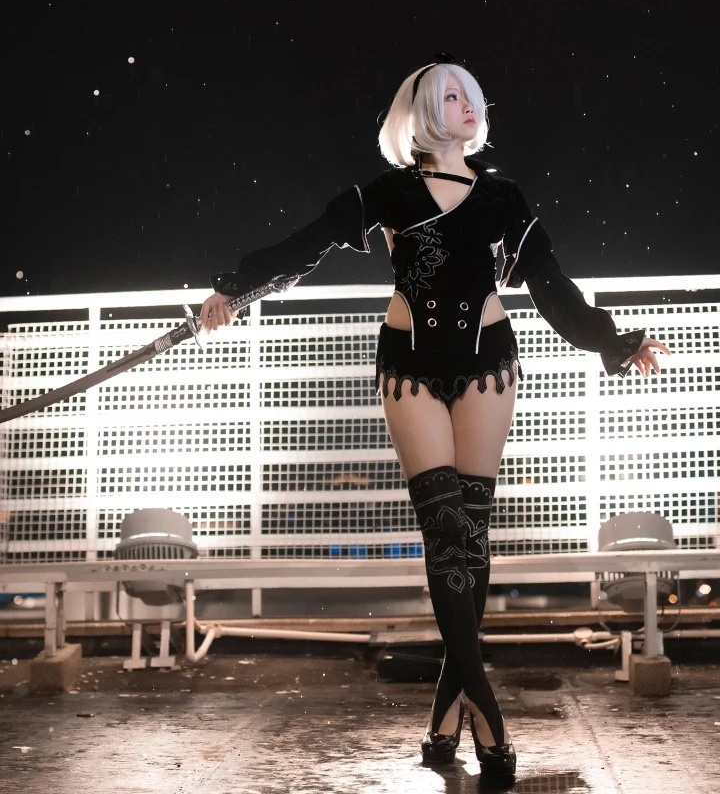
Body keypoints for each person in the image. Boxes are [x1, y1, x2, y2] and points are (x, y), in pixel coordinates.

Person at [200, 56, 671, 779]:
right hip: (410, 367)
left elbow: (551, 285)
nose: (467, 105)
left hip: (488, 365)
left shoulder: (504, 196)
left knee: (470, 541)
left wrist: (614, 339)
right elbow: (305, 246)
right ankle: (484, 703)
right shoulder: (388, 191)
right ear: (423, 113)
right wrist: (233, 289)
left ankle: (446, 713)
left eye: (471, 96)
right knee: (446, 532)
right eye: (451, 96)